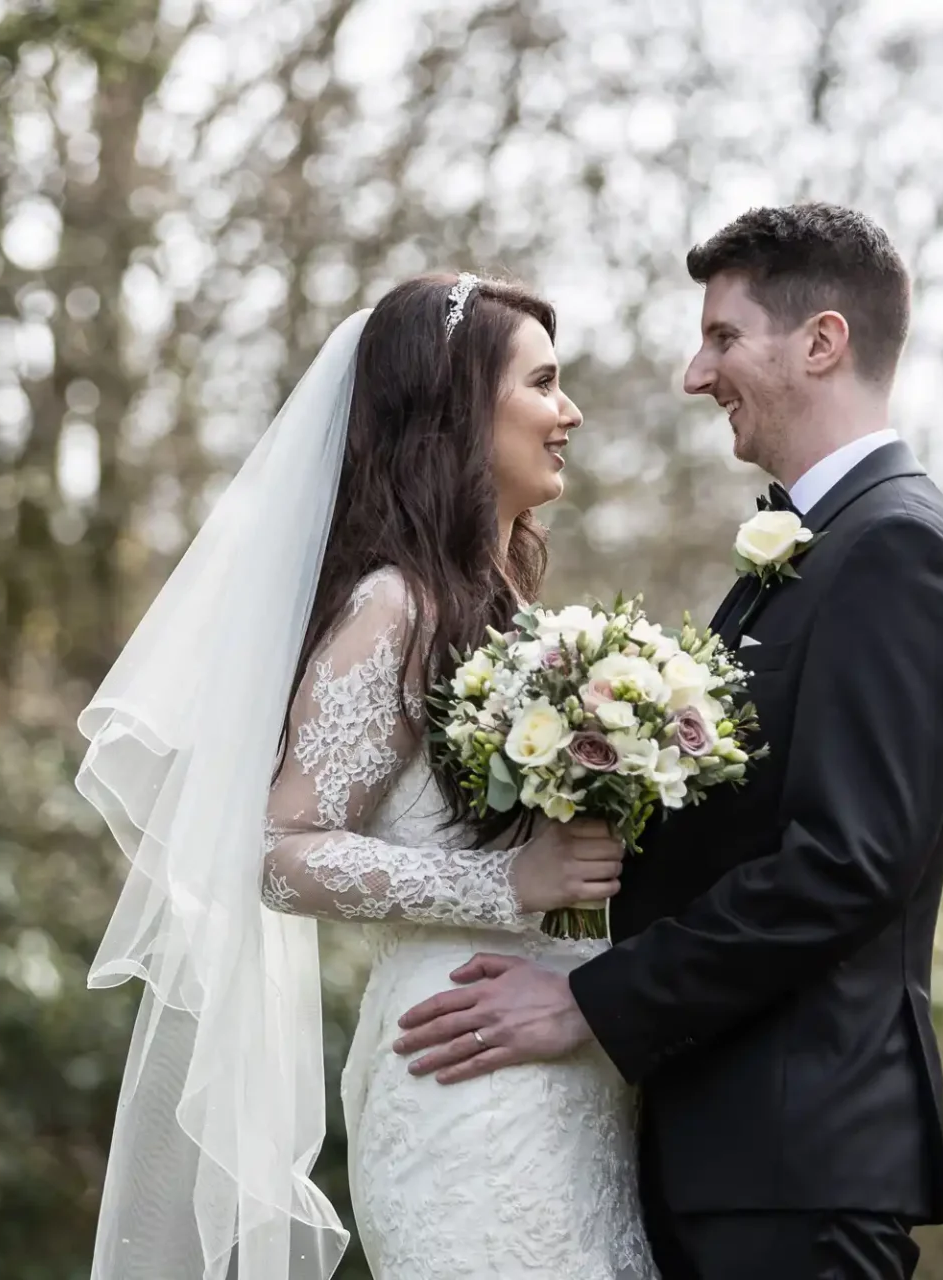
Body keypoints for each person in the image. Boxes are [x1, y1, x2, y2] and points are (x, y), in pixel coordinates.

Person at [393, 204, 943, 1280]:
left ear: (822, 340)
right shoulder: (811, 551)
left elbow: (844, 865)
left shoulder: (900, 550)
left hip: (796, 1160)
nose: (694, 371)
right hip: (721, 1150)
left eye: (723, 337)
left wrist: (587, 998)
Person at [76, 274, 654, 1280]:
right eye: (545, 383)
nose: (569, 412)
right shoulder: (396, 604)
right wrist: (507, 884)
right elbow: (277, 846)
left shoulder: (512, 609)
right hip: (460, 1059)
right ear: (459, 407)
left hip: (570, 1070)